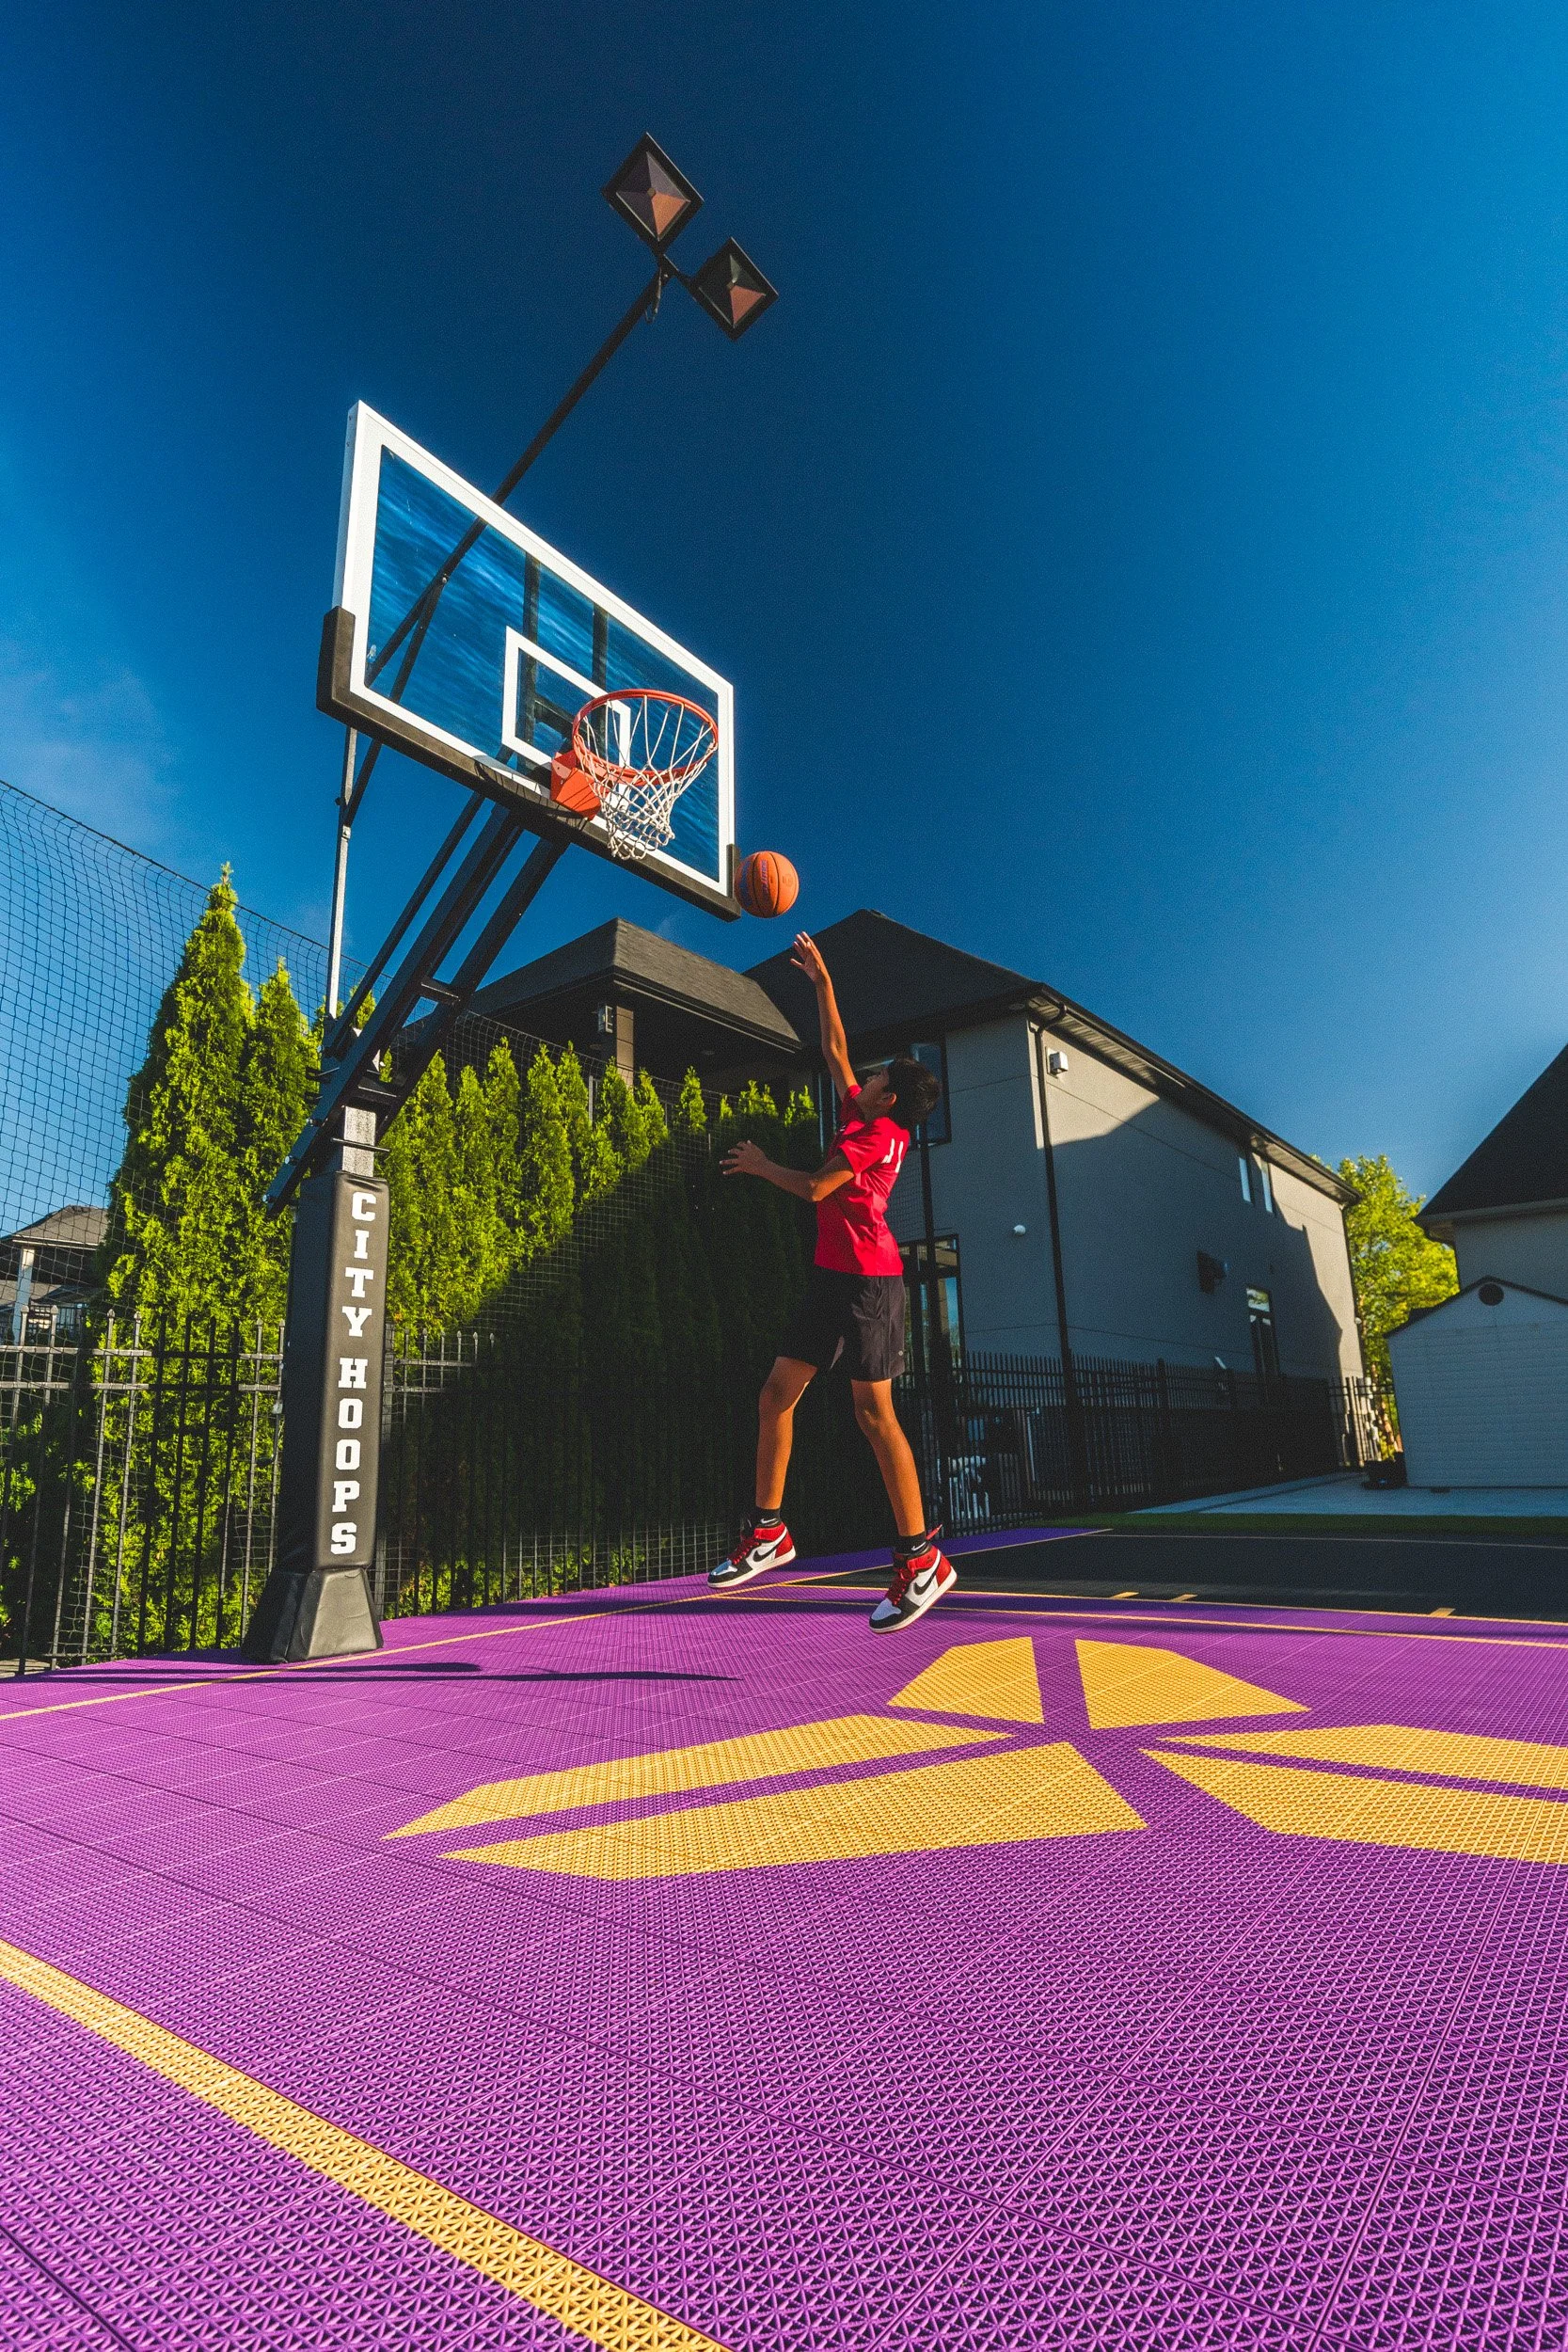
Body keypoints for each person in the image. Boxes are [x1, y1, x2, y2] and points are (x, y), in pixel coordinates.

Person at [709, 930, 957, 1632]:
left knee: (873, 1417)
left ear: (891, 1096)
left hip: (868, 1288)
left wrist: (759, 1165)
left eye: (879, 1076)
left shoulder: (874, 1137)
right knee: (775, 1397)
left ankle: (920, 1561)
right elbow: (836, 1052)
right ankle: (768, 1532)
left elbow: (818, 1189)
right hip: (833, 1280)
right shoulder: (867, 1116)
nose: (866, 1076)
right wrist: (820, 981)